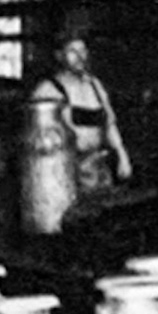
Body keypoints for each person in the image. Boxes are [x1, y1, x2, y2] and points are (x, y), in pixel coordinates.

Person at [31, 28, 132, 192]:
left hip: (98, 167)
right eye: (72, 51)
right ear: (59, 55)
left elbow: (110, 123)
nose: (80, 57)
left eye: (83, 50)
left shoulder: (94, 85)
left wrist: (122, 155)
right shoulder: (48, 90)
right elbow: (41, 139)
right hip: (67, 171)